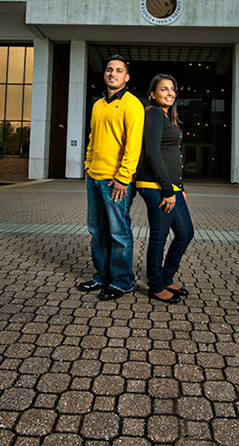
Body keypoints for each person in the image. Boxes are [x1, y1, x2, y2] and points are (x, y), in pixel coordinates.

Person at [77, 55, 145, 301]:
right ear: (105, 74)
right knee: (97, 230)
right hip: (95, 178)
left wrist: (123, 178)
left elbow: (133, 146)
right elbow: (93, 139)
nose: (112, 73)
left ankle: (123, 281)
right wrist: (87, 167)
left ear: (126, 77)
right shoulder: (98, 104)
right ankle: (102, 276)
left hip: (116, 181)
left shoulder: (132, 104)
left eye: (118, 70)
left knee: (118, 232)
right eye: (109, 70)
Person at [135, 73, 194, 304]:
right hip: (155, 186)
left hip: (170, 186)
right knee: (159, 237)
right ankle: (156, 285)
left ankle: (166, 276)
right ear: (153, 94)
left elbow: (172, 157)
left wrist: (179, 187)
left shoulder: (168, 118)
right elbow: (152, 153)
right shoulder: (155, 114)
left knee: (185, 233)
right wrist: (168, 191)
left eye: (172, 89)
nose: (170, 93)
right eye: (163, 89)